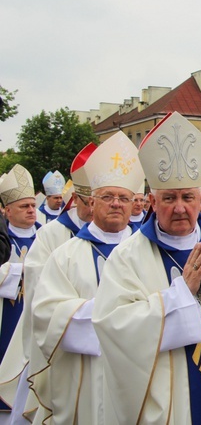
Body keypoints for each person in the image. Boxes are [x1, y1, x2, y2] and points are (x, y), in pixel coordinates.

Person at [92, 112, 201, 424]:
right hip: (169, 406)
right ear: (151, 201)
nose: (180, 207)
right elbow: (113, 327)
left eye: (187, 197)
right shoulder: (127, 258)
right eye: (169, 198)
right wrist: (180, 295)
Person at [29, 131, 145, 424]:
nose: (116, 203)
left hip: (139, 367)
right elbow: (44, 314)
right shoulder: (66, 255)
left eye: (124, 198)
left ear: (134, 205)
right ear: (91, 203)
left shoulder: (149, 252)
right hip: (86, 369)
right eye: (107, 196)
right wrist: (109, 315)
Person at [0, 143, 97, 422]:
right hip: (60, 339)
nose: (94, 208)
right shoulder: (53, 234)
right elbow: (38, 283)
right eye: (88, 201)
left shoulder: (123, 236)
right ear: (76, 199)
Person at [0, 165, 39, 423]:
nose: (31, 210)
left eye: (33, 205)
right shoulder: (3, 238)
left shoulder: (47, 237)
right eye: (24, 206)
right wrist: (20, 270)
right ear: (7, 209)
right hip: (6, 321)